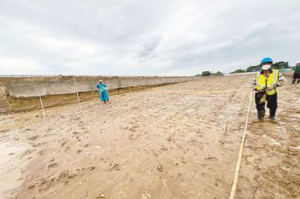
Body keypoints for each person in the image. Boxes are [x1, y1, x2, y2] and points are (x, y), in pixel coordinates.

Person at [251, 57, 285, 122]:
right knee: (259, 106)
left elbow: (282, 81)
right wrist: (256, 89)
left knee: (273, 106)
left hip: (272, 92)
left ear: (271, 64)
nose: (265, 65)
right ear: (261, 65)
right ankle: (260, 118)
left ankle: (272, 117)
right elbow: (252, 84)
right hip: (260, 93)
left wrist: (275, 86)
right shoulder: (257, 74)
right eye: (264, 64)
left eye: (267, 63)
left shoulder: (276, 72)